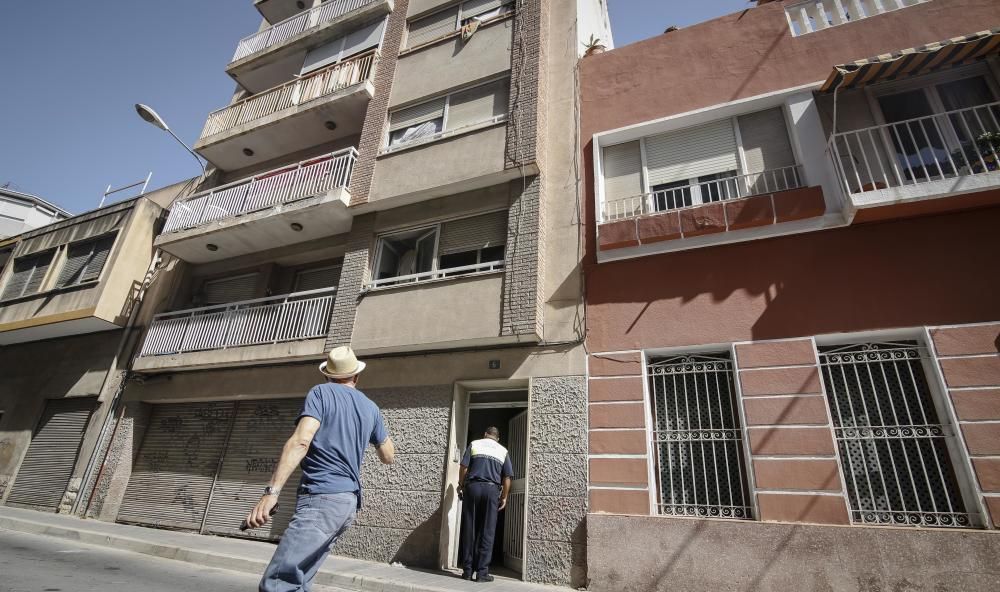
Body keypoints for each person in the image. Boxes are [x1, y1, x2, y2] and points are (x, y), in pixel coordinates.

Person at [245, 346, 395, 592]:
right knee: (299, 581)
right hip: (347, 503)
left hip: (321, 500)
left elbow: (301, 440)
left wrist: (271, 492)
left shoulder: (321, 393)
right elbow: (388, 456)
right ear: (356, 376)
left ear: (327, 375)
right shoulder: (371, 408)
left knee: (278, 583)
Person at [458, 426, 513, 583]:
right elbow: (507, 477)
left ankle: (467, 571)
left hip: (473, 488)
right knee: (487, 531)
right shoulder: (503, 450)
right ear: (498, 438)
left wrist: (461, 485)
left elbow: (463, 466)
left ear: (485, 434)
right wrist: (504, 497)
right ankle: (482, 574)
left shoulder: (475, 444)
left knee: (470, 528)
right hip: (491, 490)